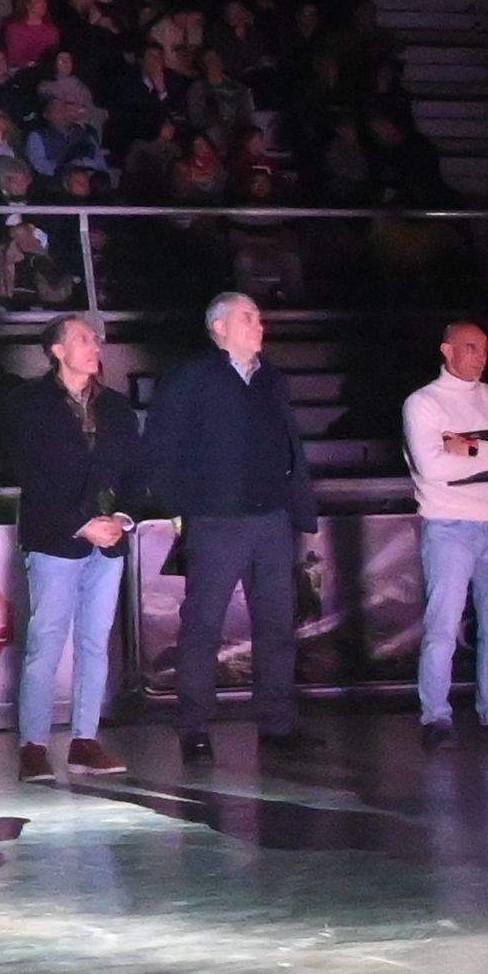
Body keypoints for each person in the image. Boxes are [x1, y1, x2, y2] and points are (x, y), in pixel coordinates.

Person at [136, 288, 317, 762]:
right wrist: (179, 508)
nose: (260, 326)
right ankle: (194, 725)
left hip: (271, 519)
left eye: (259, 318)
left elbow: (290, 446)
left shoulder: (271, 380)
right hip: (217, 520)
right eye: (248, 318)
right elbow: (160, 445)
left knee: (277, 624)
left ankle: (278, 721)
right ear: (219, 328)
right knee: (203, 625)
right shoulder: (192, 377)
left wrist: (300, 506)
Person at [5, 307, 139, 778]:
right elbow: (32, 476)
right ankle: (34, 745)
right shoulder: (28, 404)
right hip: (55, 538)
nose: (95, 347)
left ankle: (85, 739)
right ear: (57, 350)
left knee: (94, 642)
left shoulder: (118, 407)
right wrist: (81, 524)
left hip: (109, 540)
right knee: (47, 641)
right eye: (84, 339)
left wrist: (121, 517)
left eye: (96, 340)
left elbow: (134, 473)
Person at [403, 315, 488, 743]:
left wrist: (470, 446)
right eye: (471, 348)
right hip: (448, 525)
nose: (481, 358)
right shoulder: (424, 403)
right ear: (448, 350)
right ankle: (434, 716)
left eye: (484, 349)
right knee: (442, 625)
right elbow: (433, 466)